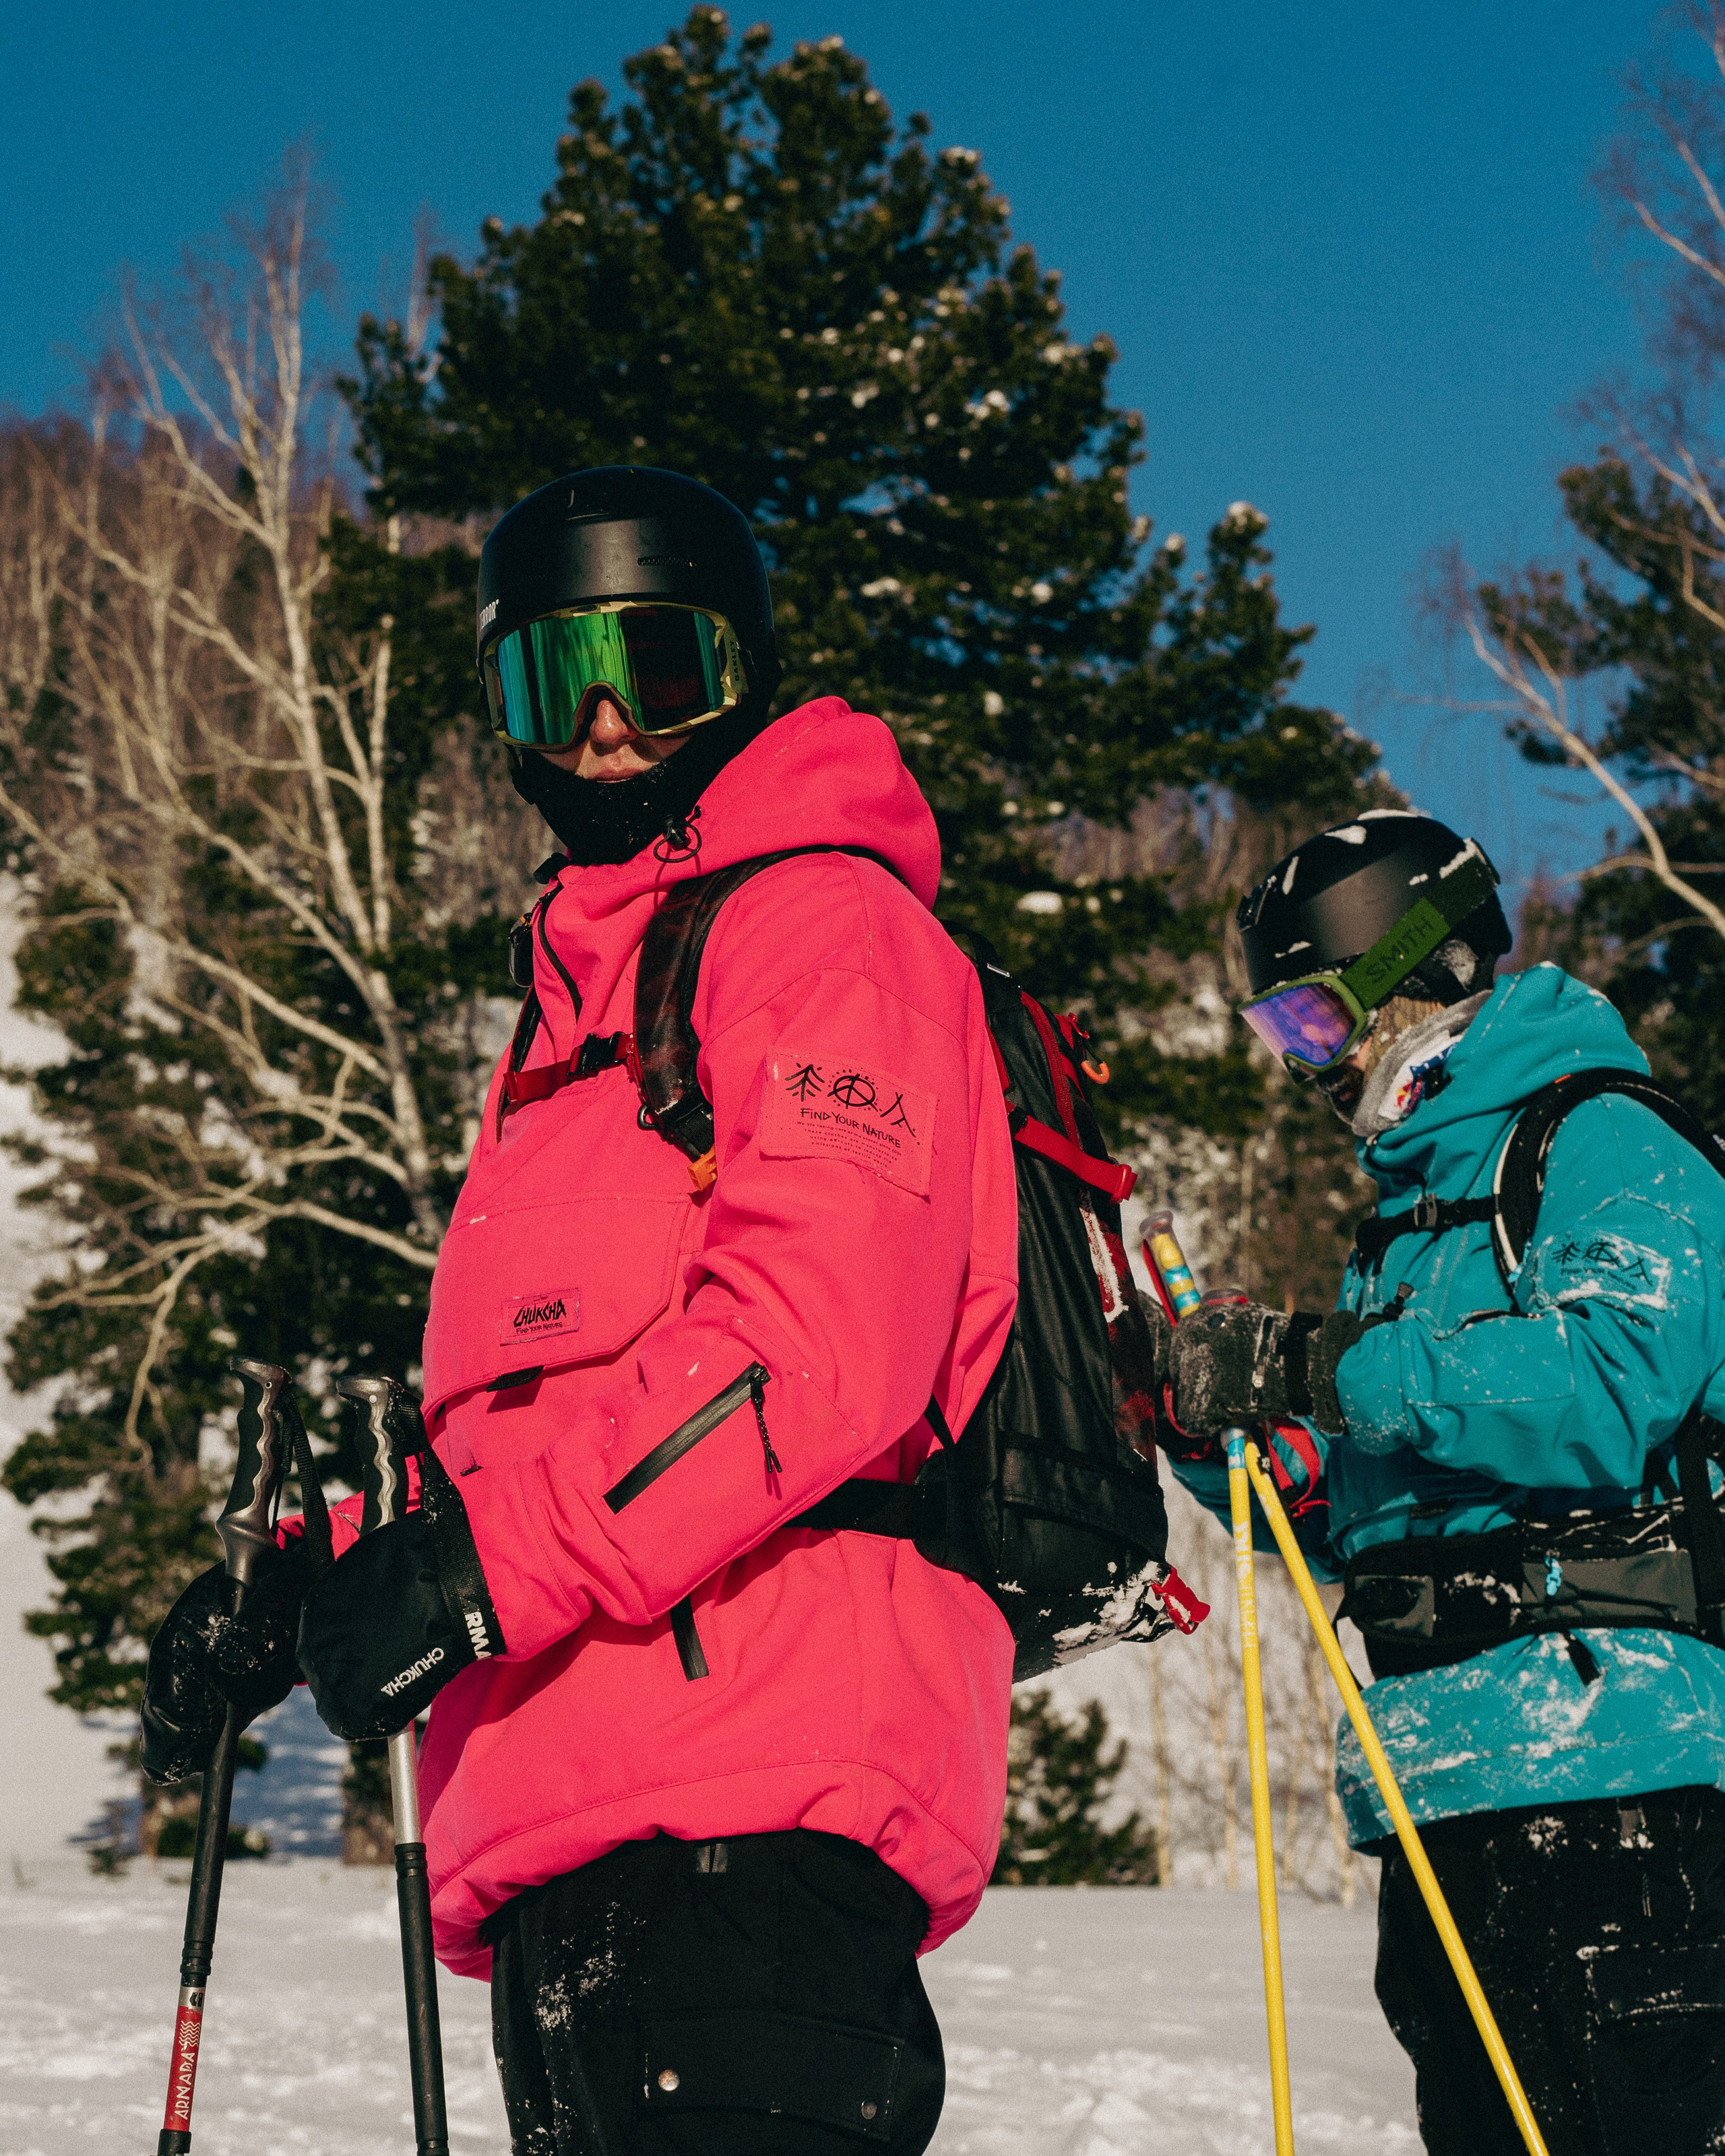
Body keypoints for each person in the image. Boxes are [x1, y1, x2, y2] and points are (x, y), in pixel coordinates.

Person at [143, 465, 1020, 2154]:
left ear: (743, 672)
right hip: (577, 1833)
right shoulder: (575, 1023)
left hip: (749, 1829)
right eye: (558, 680)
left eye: (659, 668)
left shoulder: (824, 929)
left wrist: (468, 1576)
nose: (609, 728)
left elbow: (810, 1343)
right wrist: (326, 1575)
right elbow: (545, 1433)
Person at [1150, 808, 1725, 2156]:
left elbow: (1598, 1387)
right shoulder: (1401, 1224)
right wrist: (1216, 1418)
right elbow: (1366, 1496)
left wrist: (1317, 1360)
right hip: (1441, 1780)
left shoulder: (1603, 1141)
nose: (1302, 1064)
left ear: (1413, 970)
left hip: (1608, 1772)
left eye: (1306, 1019)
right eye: (1275, 1034)